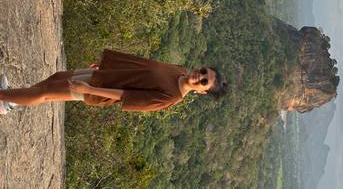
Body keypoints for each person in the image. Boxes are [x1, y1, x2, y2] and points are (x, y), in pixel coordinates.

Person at [0, 49, 227, 114]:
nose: (200, 76)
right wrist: (107, 66)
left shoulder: (171, 97)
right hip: (106, 75)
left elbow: (126, 97)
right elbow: (140, 66)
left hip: (99, 88)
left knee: (47, 93)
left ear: (202, 92)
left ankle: (6, 99)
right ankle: (11, 100)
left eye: (204, 82)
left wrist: (90, 89)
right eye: (204, 71)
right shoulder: (179, 70)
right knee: (56, 78)